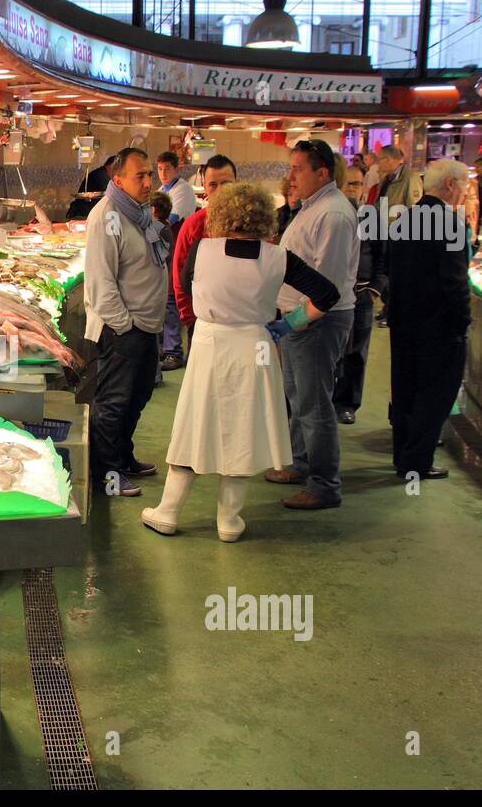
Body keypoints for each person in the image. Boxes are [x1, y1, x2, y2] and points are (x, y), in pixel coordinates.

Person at [142, 182, 340, 542]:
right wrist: (287, 324)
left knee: (194, 426)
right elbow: (328, 294)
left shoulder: (201, 249)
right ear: (264, 217)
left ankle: (168, 511)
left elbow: (184, 286)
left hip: (209, 343)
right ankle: (229, 521)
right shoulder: (279, 257)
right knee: (242, 431)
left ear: (220, 215)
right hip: (256, 346)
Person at [266, 138, 358, 510]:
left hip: (316, 324)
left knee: (314, 405)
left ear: (322, 173)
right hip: (298, 322)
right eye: (290, 168)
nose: (291, 177)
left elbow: (328, 289)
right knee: (298, 399)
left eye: (298, 169)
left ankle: (323, 485)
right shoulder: (312, 206)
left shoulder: (333, 214)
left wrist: (293, 324)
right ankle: (302, 464)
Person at [86, 147, 169, 497]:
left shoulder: (138, 214)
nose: (149, 181)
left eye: (150, 174)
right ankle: (107, 476)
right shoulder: (107, 217)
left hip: (145, 327)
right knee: (113, 403)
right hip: (122, 329)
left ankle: (122, 456)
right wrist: (124, 325)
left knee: (138, 396)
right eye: (141, 175)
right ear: (118, 179)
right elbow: (101, 282)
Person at [387, 158, 472, 480]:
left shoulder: (403, 220)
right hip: (438, 326)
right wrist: (463, 321)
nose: (465, 193)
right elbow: (455, 282)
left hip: (404, 322)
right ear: (450, 185)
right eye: (464, 185)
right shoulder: (451, 224)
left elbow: (393, 273)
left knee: (406, 390)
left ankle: (402, 458)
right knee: (434, 395)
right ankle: (417, 463)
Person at [171, 155, 239, 366]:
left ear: (237, 183)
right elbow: (179, 274)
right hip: (203, 323)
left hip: (242, 324)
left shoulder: (253, 224)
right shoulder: (194, 225)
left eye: (226, 184)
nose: (219, 190)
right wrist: (189, 319)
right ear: (204, 187)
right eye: (213, 184)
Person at [332, 165, 387, 424]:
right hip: (333, 296)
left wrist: (376, 288)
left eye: (357, 184)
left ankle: (347, 403)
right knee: (333, 350)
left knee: (356, 352)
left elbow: (383, 256)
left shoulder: (371, 216)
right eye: (348, 183)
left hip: (362, 294)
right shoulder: (332, 214)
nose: (353, 188)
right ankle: (328, 397)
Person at [149, 191, 182, 377]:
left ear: (153, 209)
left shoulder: (159, 230)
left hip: (166, 286)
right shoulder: (165, 227)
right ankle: (167, 352)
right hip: (165, 285)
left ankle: (173, 353)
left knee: (169, 320)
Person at [374, 144, 423, 215]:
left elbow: (415, 209)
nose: (378, 163)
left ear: (388, 159)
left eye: (379, 159)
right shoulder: (388, 178)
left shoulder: (410, 178)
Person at [156, 150, 197, 224]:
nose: (163, 174)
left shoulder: (183, 189)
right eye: (160, 169)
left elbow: (170, 220)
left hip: (179, 232)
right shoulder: (161, 190)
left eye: (167, 169)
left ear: (176, 169)